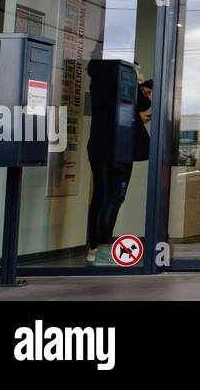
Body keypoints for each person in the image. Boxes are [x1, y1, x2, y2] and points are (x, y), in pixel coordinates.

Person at [85, 63, 150, 265]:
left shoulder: (96, 73)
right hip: (119, 146)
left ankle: (93, 248)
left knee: (100, 196)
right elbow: (141, 103)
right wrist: (139, 84)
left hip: (97, 144)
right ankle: (104, 250)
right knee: (114, 197)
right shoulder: (124, 72)